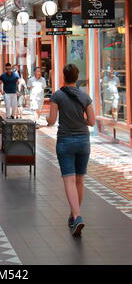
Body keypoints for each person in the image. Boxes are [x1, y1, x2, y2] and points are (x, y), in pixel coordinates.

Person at [45, 64, 95, 237]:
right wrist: (80, 117)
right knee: (80, 180)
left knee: (69, 181)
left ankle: (77, 215)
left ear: (63, 76)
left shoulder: (58, 95)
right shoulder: (85, 96)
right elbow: (92, 122)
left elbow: (51, 120)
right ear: (77, 76)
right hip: (83, 142)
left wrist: (46, 118)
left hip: (65, 141)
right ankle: (74, 216)